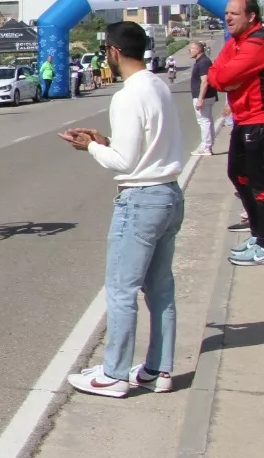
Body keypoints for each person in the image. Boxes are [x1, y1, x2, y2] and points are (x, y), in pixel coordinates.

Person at [59, 21, 184, 397]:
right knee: (160, 290)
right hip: (168, 192)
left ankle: (114, 374)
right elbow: (145, 146)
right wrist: (104, 140)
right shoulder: (158, 85)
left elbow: (126, 162)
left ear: (113, 51)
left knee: (121, 289)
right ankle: (158, 370)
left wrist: (92, 148)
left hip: (140, 199)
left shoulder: (127, 95)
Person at [207, 0, 264, 266]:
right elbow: (216, 75)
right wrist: (226, 79)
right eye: (226, 13)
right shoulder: (237, 42)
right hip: (244, 120)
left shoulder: (260, 41)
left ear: (251, 16)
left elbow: (224, 77)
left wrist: (228, 80)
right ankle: (257, 235)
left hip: (263, 120)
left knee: (261, 183)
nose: (227, 17)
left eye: (234, 13)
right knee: (238, 175)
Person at [187, 41, 215, 155]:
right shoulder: (202, 61)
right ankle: (207, 145)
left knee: (203, 121)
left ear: (198, 50)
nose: (189, 51)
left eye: (191, 49)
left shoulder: (203, 62)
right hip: (206, 96)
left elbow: (205, 81)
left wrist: (200, 99)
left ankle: (206, 147)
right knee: (207, 120)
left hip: (203, 96)